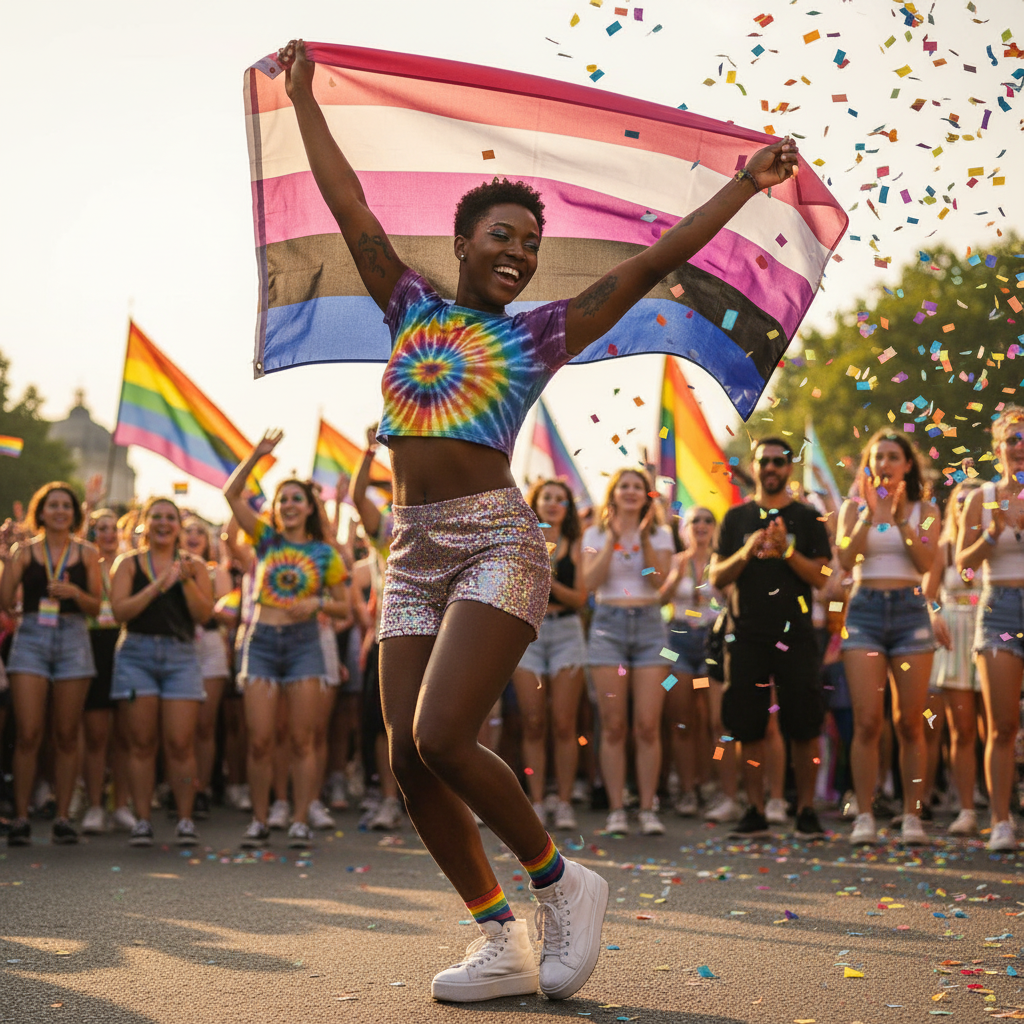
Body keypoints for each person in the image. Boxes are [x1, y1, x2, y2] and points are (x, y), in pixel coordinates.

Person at [278, 37, 800, 1003]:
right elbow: (346, 197)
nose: (517, 253)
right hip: (409, 553)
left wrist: (746, 186)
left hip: (496, 541)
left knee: (441, 734)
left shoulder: (542, 332)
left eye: (529, 242)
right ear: (464, 242)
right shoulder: (406, 301)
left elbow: (655, 260)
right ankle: (498, 938)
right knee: (405, 757)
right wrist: (305, 96)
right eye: (501, 236)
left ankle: (565, 885)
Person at [224, 435, 351, 851]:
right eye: (283, 501)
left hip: (304, 647)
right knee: (260, 739)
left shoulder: (325, 553)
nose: (290, 505)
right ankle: (260, 820)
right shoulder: (265, 539)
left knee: (302, 739)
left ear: (310, 507)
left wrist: (317, 601)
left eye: (297, 499)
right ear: (275, 510)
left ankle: (299, 819)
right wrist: (257, 458)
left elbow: (344, 607)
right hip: (261, 642)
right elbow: (231, 493)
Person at [709, 440, 831, 840]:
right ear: (754, 465)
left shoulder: (808, 518)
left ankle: (807, 810)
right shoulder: (735, 518)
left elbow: (822, 578)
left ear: (789, 468)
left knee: (804, 724)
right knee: (747, 727)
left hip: (795, 635)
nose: (772, 467)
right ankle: (755, 810)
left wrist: (787, 550)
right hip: (745, 636)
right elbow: (716, 577)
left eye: (780, 461)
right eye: (765, 461)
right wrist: (747, 550)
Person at [836, 430, 946, 846]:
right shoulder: (852, 508)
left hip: (910, 614)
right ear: (869, 465)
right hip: (863, 612)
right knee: (867, 722)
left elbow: (926, 562)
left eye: (893, 456)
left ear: (906, 466)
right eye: (878, 456)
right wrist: (871, 513)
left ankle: (911, 815)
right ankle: (864, 813)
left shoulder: (926, 508)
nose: (884, 464)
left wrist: (899, 517)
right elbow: (845, 560)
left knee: (909, 722)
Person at [1, 482, 102, 846]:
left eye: (66, 506)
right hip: (31, 638)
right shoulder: (24, 551)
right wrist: (6, 560)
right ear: (40, 512)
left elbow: (96, 607)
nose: (60, 511)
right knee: (29, 733)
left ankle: (62, 817)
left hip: (74, 638)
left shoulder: (87, 553)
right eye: (52, 505)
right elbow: (3, 598)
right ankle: (22, 817)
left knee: (65, 733)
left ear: (74, 513)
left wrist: (76, 593)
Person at [109, 498, 214, 847]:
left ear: (179, 526)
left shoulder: (194, 565)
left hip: (181, 656)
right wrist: (159, 584)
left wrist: (183, 581)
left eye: (170, 517)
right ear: (145, 522)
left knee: (181, 744)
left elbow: (203, 615)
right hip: (136, 653)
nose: (164, 523)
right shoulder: (128, 564)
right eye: (157, 516)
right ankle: (142, 820)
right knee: (141, 744)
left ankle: (184, 820)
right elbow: (121, 611)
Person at [582, 469, 675, 836]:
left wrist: (642, 538)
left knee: (648, 725)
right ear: (614, 494)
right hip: (608, 626)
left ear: (646, 496)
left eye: (638, 487)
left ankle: (649, 807)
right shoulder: (594, 533)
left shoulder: (662, 534)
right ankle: (617, 808)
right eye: (625, 486)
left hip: (651, 625)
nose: (632, 492)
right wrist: (615, 540)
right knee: (614, 725)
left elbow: (660, 582)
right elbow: (590, 583)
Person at [957, 407, 1024, 851]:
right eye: (1013, 439)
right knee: (1001, 725)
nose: (1020, 447)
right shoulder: (981, 497)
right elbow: (962, 565)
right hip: (999, 607)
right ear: (998, 448)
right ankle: (1000, 821)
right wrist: (992, 534)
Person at [511, 480, 588, 831]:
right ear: (536, 503)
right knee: (533, 721)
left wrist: (548, 579)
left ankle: (566, 801)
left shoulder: (577, 544)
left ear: (568, 507)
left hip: (567, 632)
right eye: (548, 498)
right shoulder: (520, 544)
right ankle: (537, 801)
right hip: (529, 633)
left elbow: (580, 598)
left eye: (561, 499)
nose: (554, 503)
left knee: (563, 723)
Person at [660, 506, 723, 817]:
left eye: (707, 520)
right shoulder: (675, 561)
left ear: (715, 527)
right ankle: (686, 790)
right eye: (695, 520)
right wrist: (676, 574)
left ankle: (712, 786)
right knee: (683, 719)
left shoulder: (723, 562)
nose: (701, 525)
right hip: (678, 643)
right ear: (685, 529)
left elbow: (729, 598)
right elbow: (660, 599)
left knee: (714, 720)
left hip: (713, 642)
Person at [928, 480, 982, 836]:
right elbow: (928, 593)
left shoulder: (999, 544)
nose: (965, 506)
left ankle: (1004, 807)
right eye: (960, 501)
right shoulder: (944, 547)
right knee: (962, 731)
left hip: (993, 627)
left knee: (1000, 728)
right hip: (954, 638)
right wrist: (934, 614)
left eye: (973, 501)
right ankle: (965, 807)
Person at [80, 509, 135, 835]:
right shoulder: (88, 564)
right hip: (94, 644)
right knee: (96, 734)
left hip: (126, 645)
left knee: (126, 737)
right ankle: (95, 806)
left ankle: (122, 805)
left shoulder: (129, 563)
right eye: (101, 528)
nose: (108, 534)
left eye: (113, 528)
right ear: (92, 533)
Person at [181, 515, 233, 818]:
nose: (193, 536)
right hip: (180, 645)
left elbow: (220, 613)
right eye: (188, 530)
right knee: (180, 729)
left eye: (200, 531)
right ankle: (181, 788)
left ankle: (200, 789)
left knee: (203, 725)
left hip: (211, 647)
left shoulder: (219, 573)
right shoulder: (167, 568)